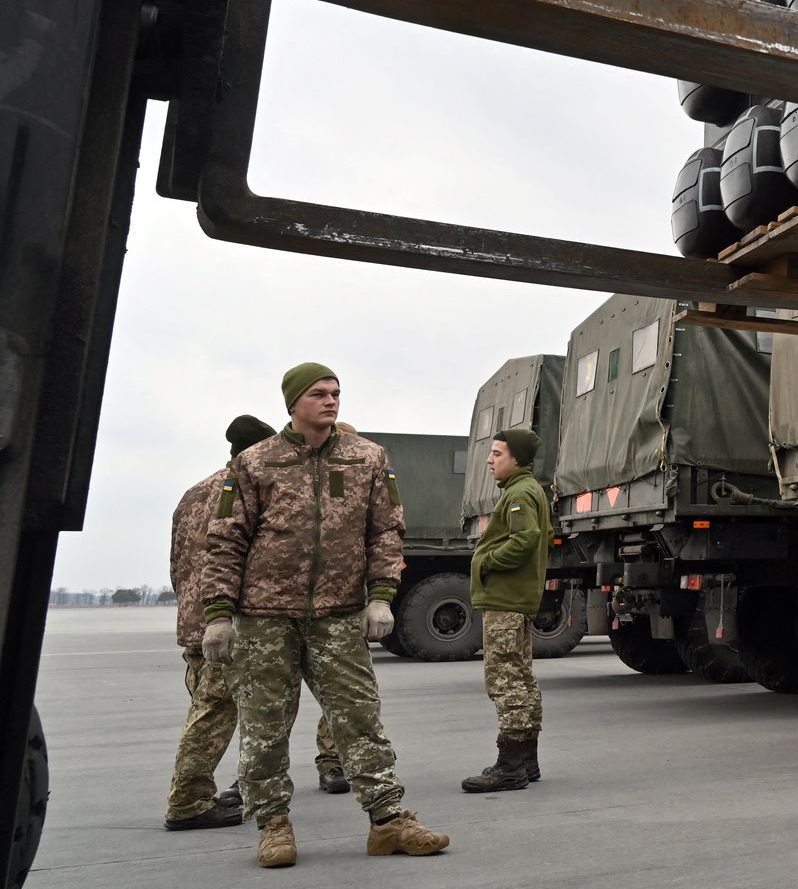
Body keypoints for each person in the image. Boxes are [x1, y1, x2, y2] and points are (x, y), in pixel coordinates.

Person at [200, 363, 449, 868]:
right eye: (318, 394)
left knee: (359, 717)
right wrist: (219, 613)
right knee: (265, 723)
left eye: (336, 393)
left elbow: (385, 531)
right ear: (293, 403)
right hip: (265, 614)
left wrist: (381, 596)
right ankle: (272, 824)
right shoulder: (254, 464)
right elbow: (224, 541)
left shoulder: (368, 458)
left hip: (338, 613)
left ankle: (388, 821)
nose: (331, 401)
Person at [162, 414, 276, 830]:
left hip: (194, 620)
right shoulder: (250, 492)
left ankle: (238, 786)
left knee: (208, 707)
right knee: (214, 713)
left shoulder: (194, 493)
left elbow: (177, 565)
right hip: (228, 622)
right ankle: (189, 802)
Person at [461, 428, 552, 793]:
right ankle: (527, 760)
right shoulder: (528, 490)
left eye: (497, 453)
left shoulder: (519, 493)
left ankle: (510, 766)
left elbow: (525, 539)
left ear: (516, 458)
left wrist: (486, 562)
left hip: (506, 599)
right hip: (515, 599)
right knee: (521, 676)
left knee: (505, 679)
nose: (489, 460)